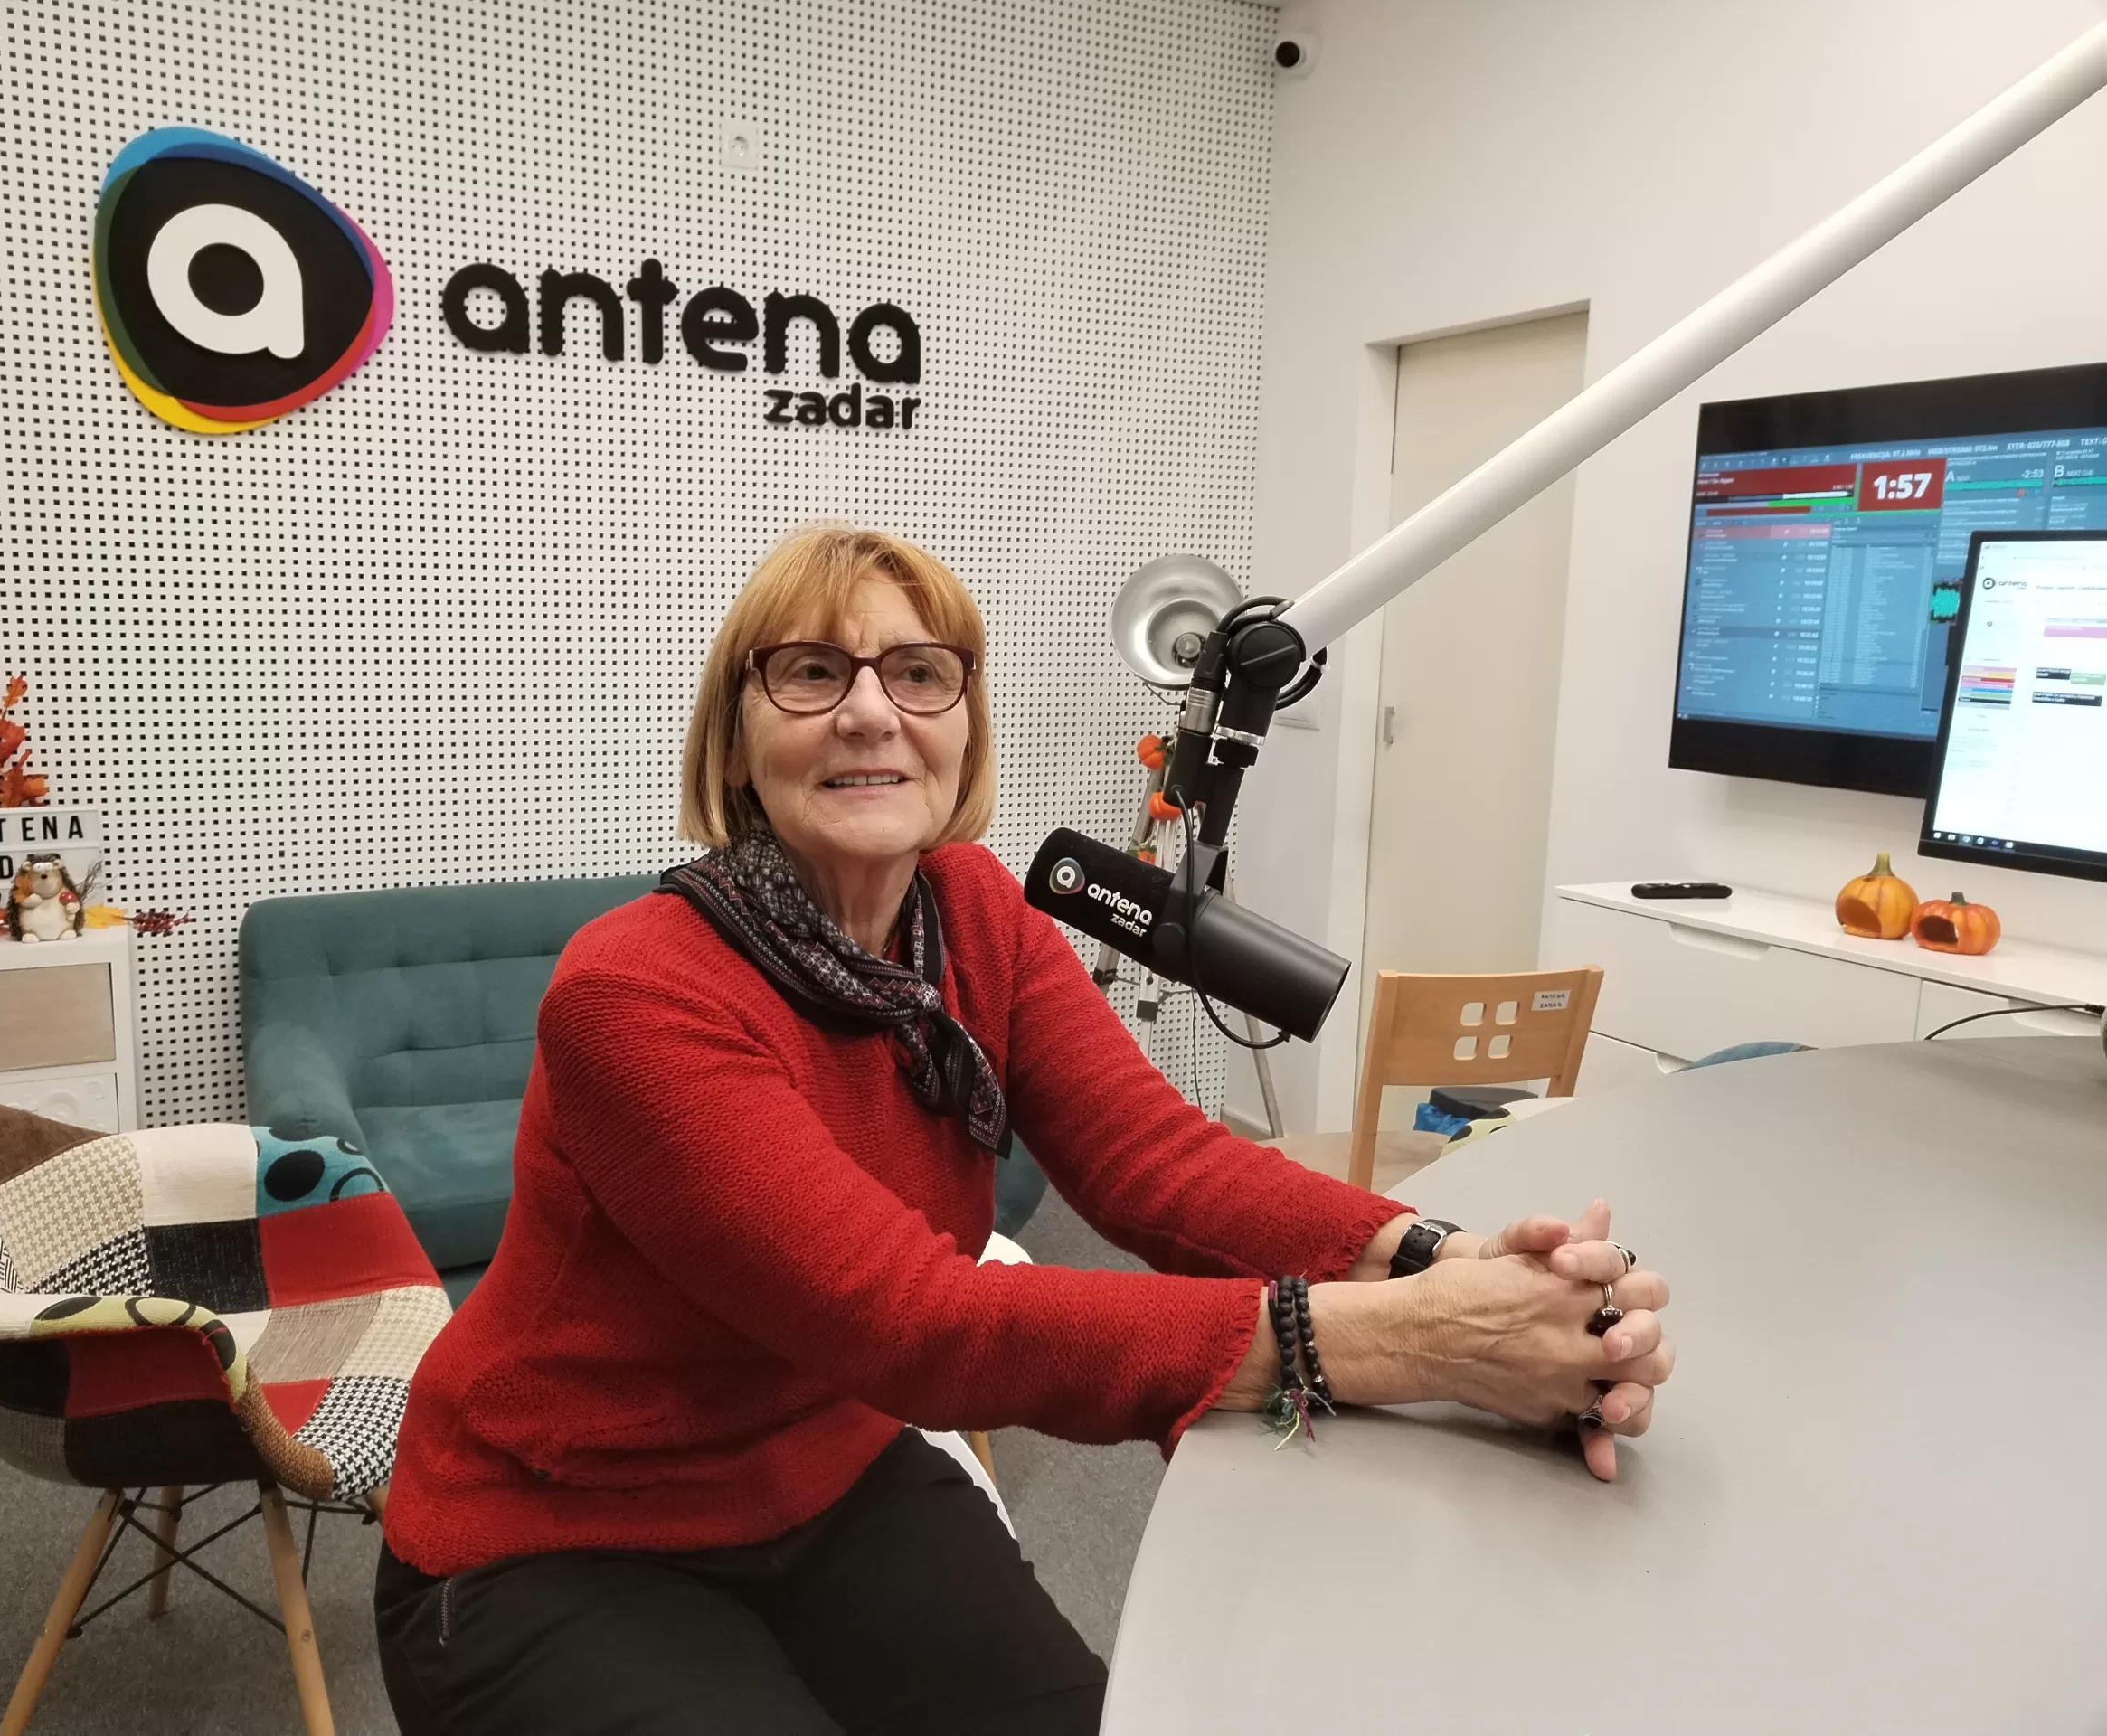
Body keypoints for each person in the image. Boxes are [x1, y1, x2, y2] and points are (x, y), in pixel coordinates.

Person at [373, 524, 1676, 1735]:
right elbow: (914, 1323)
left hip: (823, 1466)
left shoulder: (973, 909)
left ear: (962, 729)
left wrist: (1447, 1261)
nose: (871, 711)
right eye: (813, 672)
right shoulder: (635, 991)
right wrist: (1426, 1341)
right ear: (734, 740)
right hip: (553, 1534)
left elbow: (1157, 1163)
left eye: (918, 673)